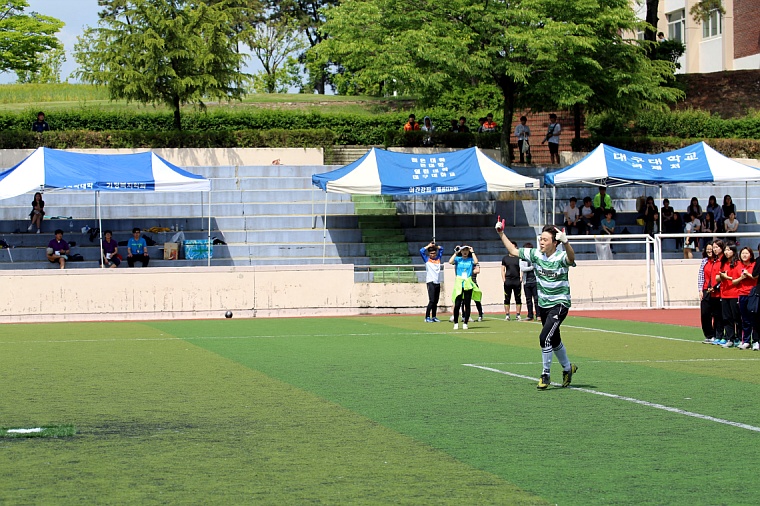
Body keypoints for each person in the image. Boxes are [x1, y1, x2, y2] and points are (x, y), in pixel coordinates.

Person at [496, 222, 578, 389]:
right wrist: (501, 233)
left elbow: (571, 258)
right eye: (541, 239)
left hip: (559, 303)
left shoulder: (560, 257)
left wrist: (566, 242)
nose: (541, 242)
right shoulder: (536, 254)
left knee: (544, 337)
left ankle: (545, 374)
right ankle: (568, 368)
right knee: (554, 339)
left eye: (545, 240)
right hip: (543, 304)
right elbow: (513, 251)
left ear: (555, 242)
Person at [449, 245, 481, 330]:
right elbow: (450, 261)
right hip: (459, 283)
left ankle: (465, 322)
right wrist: (456, 252)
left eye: (467, 250)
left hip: (468, 282)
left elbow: (476, 261)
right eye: (463, 250)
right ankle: (456, 322)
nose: (465, 252)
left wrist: (472, 251)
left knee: (467, 304)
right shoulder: (458, 259)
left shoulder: (470, 260)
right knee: (457, 304)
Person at [732, 247, 757, 349]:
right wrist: (741, 277)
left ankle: (756, 341)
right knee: (745, 319)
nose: (744, 255)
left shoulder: (754, 265)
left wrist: (749, 275)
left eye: (747, 253)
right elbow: (734, 282)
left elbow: (756, 277)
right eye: (743, 253)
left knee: (754, 318)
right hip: (742, 294)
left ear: (751, 255)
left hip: (753, 294)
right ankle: (746, 341)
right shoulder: (738, 266)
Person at [718, 242, 741, 348]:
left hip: (735, 293)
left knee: (737, 317)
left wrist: (727, 277)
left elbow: (739, 278)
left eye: (729, 250)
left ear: (734, 251)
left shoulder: (738, 263)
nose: (726, 252)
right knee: (727, 318)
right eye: (725, 250)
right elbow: (719, 277)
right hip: (724, 294)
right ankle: (730, 338)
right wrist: (720, 277)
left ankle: (739, 338)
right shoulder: (723, 263)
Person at [703, 239, 725, 344]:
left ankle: (722, 336)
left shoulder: (723, 261)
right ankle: (715, 335)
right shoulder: (713, 261)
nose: (714, 250)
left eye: (716, 247)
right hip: (712, 292)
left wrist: (715, 287)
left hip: (720, 292)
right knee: (714, 315)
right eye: (714, 247)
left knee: (721, 316)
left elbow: (722, 277)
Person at [699, 243, 721, 343]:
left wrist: (716, 287)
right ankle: (709, 335)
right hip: (706, 290)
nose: (709, 251)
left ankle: (717, 335)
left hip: (716, 290)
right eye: (707, 249)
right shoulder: (704, 261)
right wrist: (700, 290)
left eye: (711, 249)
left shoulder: (719, 261)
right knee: (705, 313)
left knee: (716, 314)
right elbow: (701, 276)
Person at [420, 242, 443, 322]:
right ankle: (427, 317)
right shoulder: (427, 259)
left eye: (434, 253)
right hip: (430, 281)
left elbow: (442, 249)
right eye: (431, 253)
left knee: (436, 301)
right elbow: (421, 251)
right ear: (429, 254)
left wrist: (435, 246)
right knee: (432, 300)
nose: (433, 255)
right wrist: (429, 246)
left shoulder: (438, 259)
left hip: (437, 282)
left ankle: (434, 316)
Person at [501, 242, 522, 321]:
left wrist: (521, 277)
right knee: (507, 298)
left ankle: (518, 315)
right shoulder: (505, 258)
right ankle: (507, 315)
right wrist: (504, 279)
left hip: (517, 280)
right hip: (508, 280)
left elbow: (522, 268)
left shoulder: (519, 258)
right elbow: (502, 269)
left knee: (518, 298)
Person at [519, 242, 538, 321]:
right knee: (528, 299)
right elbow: (523, 268)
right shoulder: (522, 259)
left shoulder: (535, 258)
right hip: (526, 282)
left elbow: (537, 267)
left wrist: (533, 267)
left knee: (537, 299)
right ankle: (530, 315)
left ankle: (539, 315)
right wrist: (532, 267)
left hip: (535, 281)